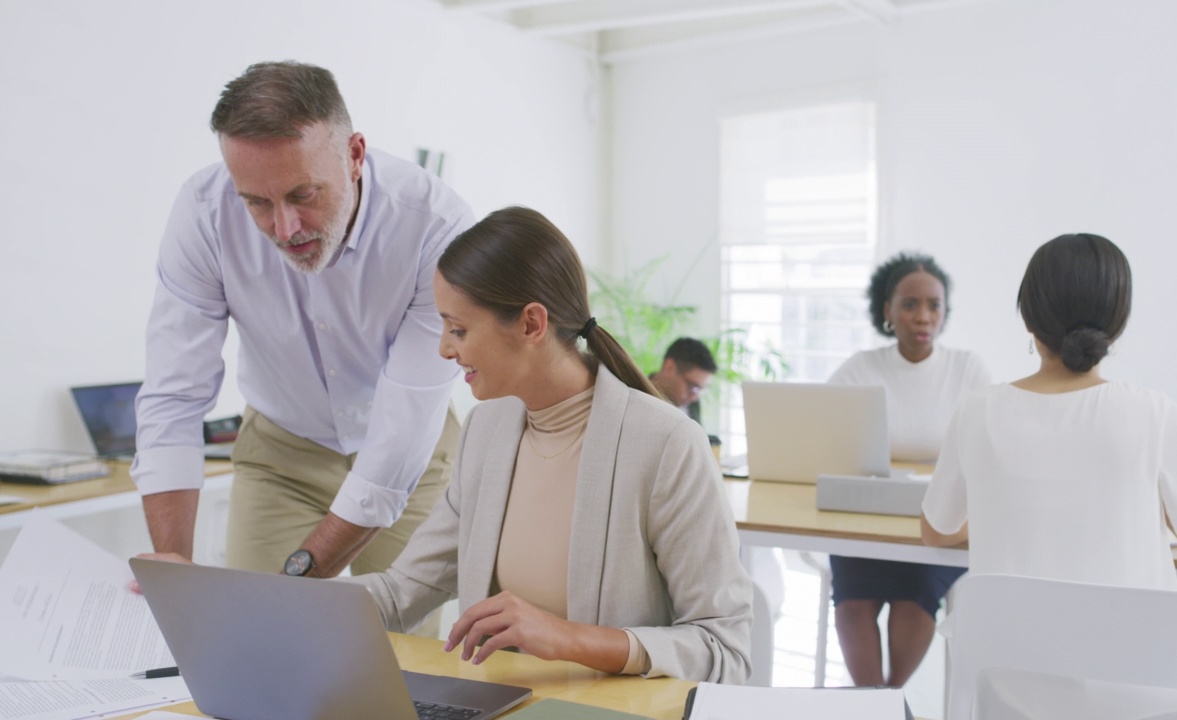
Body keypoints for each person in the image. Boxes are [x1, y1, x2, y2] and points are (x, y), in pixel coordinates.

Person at [349, 207, 753, 683]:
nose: (444, 348)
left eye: (458, 329)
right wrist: (282, 602)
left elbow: (724, 649)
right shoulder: (485, 432)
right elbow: (403, 591)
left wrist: (567, 638)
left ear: (531, 324)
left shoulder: (666, 444)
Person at [131, 61, 472, 581]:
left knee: (395, 648)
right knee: (258, 641)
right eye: (256, 203)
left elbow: (402, 432)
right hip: (280, 449)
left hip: (412, 451)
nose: (284, 227)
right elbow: (175, 394)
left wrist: (300, 580)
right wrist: (173, 567)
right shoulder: (202, 213)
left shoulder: (437, 227)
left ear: (354, 156)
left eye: (303, 195)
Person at [920, 235, 1177, 720]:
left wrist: (1007, 507)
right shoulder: (1153, 414)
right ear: (1117, 322)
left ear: (1028, 320)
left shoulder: (977, 412)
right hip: (1141, 701)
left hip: (1009, 699)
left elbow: (937, 531)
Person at [826, 252, 991, 688]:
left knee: (912, 599)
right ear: (887, 310)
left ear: (944, 312)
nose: (923, 316)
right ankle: (875, 704)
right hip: (868, 514)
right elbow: (822, 435)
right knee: (852, 603)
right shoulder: (861, 367)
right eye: (910, 304)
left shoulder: (966, 368)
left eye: (934, 305)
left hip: (939, 519)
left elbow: (987, 450)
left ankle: (889, 697)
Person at [648, 337, 717, 424]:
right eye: (692, 386)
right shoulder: (636, 395)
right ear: (669, 367)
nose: (694, 397)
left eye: (699, 389)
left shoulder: (692, 405)